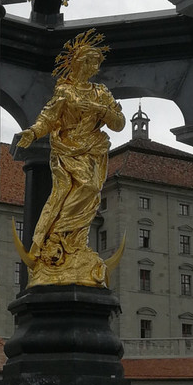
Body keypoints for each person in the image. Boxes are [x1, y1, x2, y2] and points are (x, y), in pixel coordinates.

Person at [16, 29, 125, 286]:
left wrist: (100, 109)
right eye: (89, 61)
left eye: (97, 62)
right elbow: (48, 118)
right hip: (68, 151)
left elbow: (118, 123)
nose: (94, 67)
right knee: (79, 189)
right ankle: (55, 237)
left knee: (91, 197)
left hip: (94, 151)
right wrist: (32, 132)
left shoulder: (101, 93)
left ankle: (74, 245)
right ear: (77, 63)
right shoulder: (65, 92)